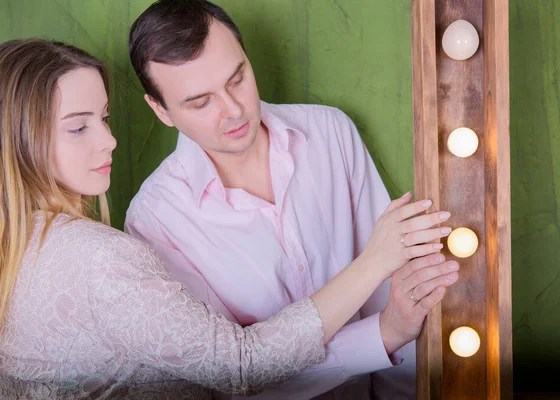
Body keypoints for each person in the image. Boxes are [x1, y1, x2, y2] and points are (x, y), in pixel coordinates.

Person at [0, 39, 454, 400]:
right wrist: (375, 269)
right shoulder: (111, 250)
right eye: (78, 127)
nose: (109, 141)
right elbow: (239, 367)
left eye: (105, 119)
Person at [125, 1, 457, 399]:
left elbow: (394, 299)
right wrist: (382, 333)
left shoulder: (330, 132)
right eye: (200, 102)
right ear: (160, 110)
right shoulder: (155, 221)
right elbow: (236, 376)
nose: (233, 110)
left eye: (237, 78)